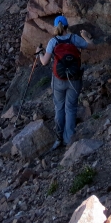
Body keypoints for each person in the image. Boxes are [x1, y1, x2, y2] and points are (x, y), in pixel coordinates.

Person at [36, 16, 94, 149]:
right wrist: (85, 36)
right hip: (74, 79)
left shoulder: (53, 42)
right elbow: (92, 47)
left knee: (59, 108)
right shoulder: (74, 39)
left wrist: (39, 53)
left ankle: (58, 138)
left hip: (59, 80)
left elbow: (44, 62)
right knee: (71, 108)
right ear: (67, 26)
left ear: (56, 27)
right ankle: (69, 140)